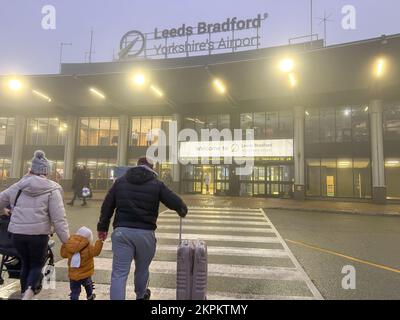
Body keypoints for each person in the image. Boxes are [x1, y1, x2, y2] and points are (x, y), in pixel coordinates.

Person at [97, 156, 188, 300]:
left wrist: (102, 227)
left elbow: (107, 205)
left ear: (136, 166)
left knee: (119, 273)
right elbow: (173, 200)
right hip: (145, 234)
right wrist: (182, 209)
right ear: (151, 168)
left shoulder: (119, 182)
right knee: (142, 269)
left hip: (122, 233)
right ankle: (141, 295)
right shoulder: (156, 184)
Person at [0, 150, 70, 300]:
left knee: (26, 263)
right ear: (46, 172)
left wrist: (4, 210)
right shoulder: (53, 189)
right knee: (37, 265)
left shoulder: (18, 186)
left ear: (31, 169)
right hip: (38, 235)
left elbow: (1, 200)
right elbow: (59, 219)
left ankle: (26, 292)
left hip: (17, 234)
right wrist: (67, 241)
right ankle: (29, 292)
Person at [60, 226, 103, 300]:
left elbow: (63, 254)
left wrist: (64, 245)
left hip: (73, 275)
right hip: (85, 274)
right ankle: (90, 296)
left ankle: (74, 298)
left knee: (75, 291)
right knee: (88, 285)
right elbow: (96, 252)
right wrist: (100, 241)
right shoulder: (89, 247)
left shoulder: (69, 245)